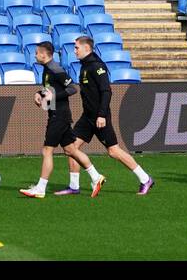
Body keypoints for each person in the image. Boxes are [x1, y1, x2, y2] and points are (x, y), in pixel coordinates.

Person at [62, 36, 153, 195]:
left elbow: (106, 91)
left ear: (87, 49)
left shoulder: (97, 66)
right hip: (87, 117)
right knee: (71, 148)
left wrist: (102, 115)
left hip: (99, 117)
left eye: (77, 47)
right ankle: (74, 186)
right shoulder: (84, 66)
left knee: (113, 151)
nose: (74, 50)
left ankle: (145, 179)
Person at [20, 41, 104, 198]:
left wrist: (53, 96)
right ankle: (96, 177)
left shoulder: (55, 69)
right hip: (58, 115)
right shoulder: (47, 69)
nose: (35, 55)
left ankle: (40, 188)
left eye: (37, 52)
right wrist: (39, 94)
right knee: (71, 150)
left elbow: (73, 88)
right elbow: (52, 89)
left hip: (59, 116)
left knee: (47, 150)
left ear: (44, 54)